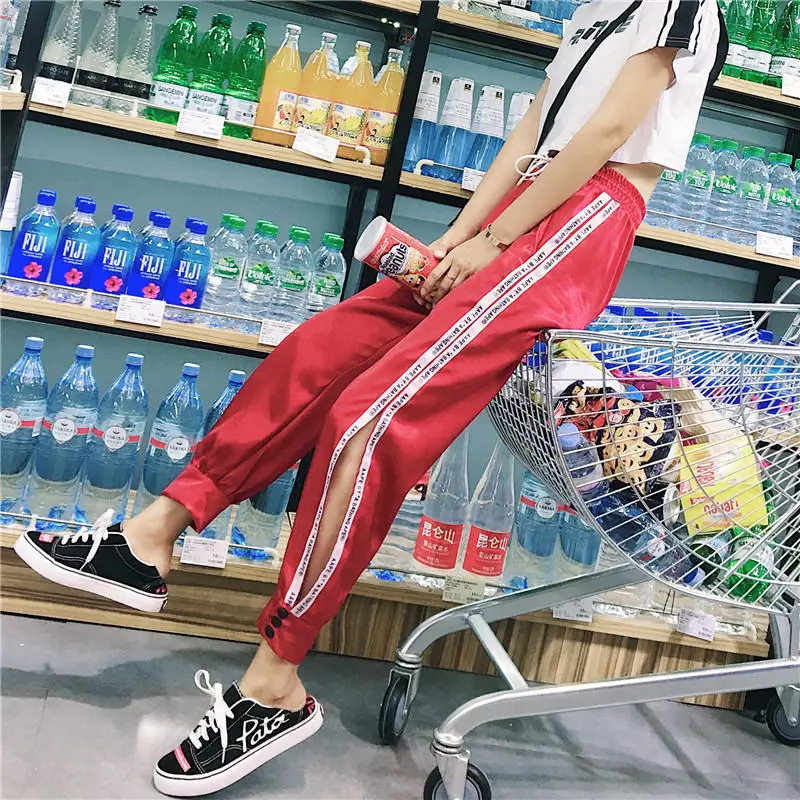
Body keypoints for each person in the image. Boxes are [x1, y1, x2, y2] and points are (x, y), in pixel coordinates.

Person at [15, 1, 726, 796]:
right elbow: (533, 129)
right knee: (321, 350)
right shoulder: (593, 8)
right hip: (527, 201)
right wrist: (462, 234)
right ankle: (154, 534)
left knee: (371, 421)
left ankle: (275, 680)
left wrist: (496, 239)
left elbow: (608, 131)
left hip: (583, 213)